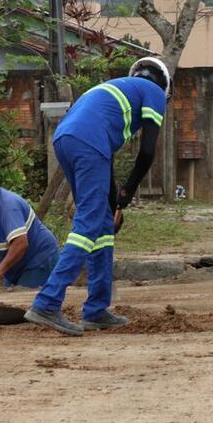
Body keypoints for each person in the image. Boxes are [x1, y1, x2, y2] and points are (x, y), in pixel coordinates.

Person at [25, 57, 170, 335]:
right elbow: (148, 152)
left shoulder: (113, 90)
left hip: (68, 140)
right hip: (89, 144)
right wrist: (129, 192)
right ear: (163, 85)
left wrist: (115, 201)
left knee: (102, 224)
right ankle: (47, 302)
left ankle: (96, 310)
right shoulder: (153, 93)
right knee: (89, 224)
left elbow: (107, 160)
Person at [0, 155, 59, 288]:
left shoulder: (8, 206)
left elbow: (20, 243)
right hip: (17, 265)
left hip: (39, 259)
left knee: (22, 300)